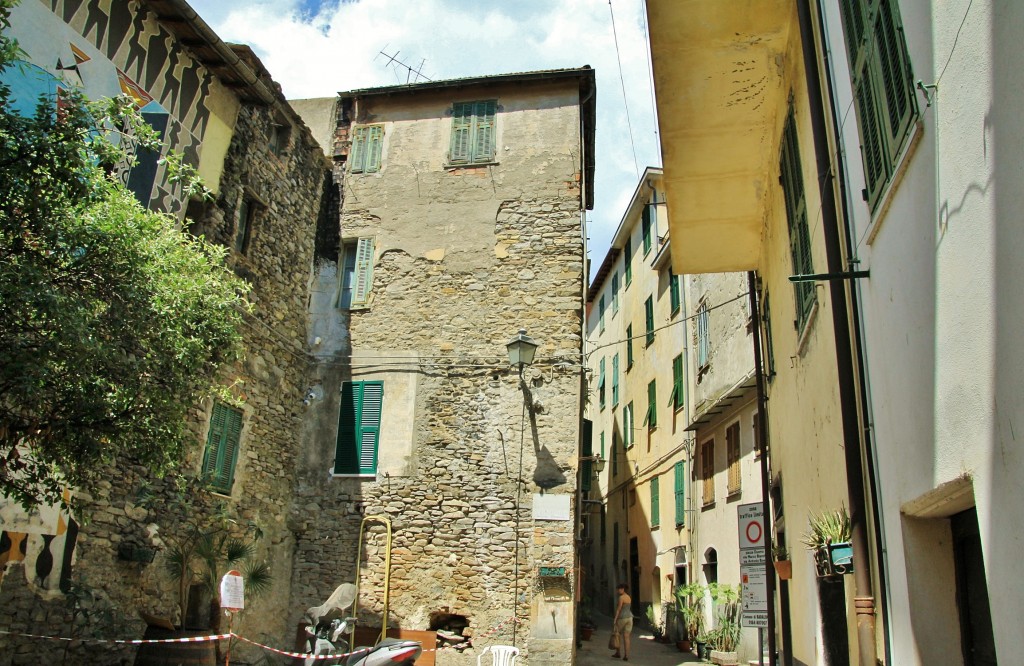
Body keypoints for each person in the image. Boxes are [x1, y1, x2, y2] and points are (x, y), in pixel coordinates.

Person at [611, 583, 633, 661]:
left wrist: (615, 619)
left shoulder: (621, 598)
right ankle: (626, 656)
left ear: (623, 589)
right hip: (630, 617)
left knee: (617, 634)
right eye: (618, 589)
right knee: (627, 637)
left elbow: (619, 609)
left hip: (622, 618)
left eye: (620, 589)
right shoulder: (629, 597)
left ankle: (618, 653)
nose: (618, 590)